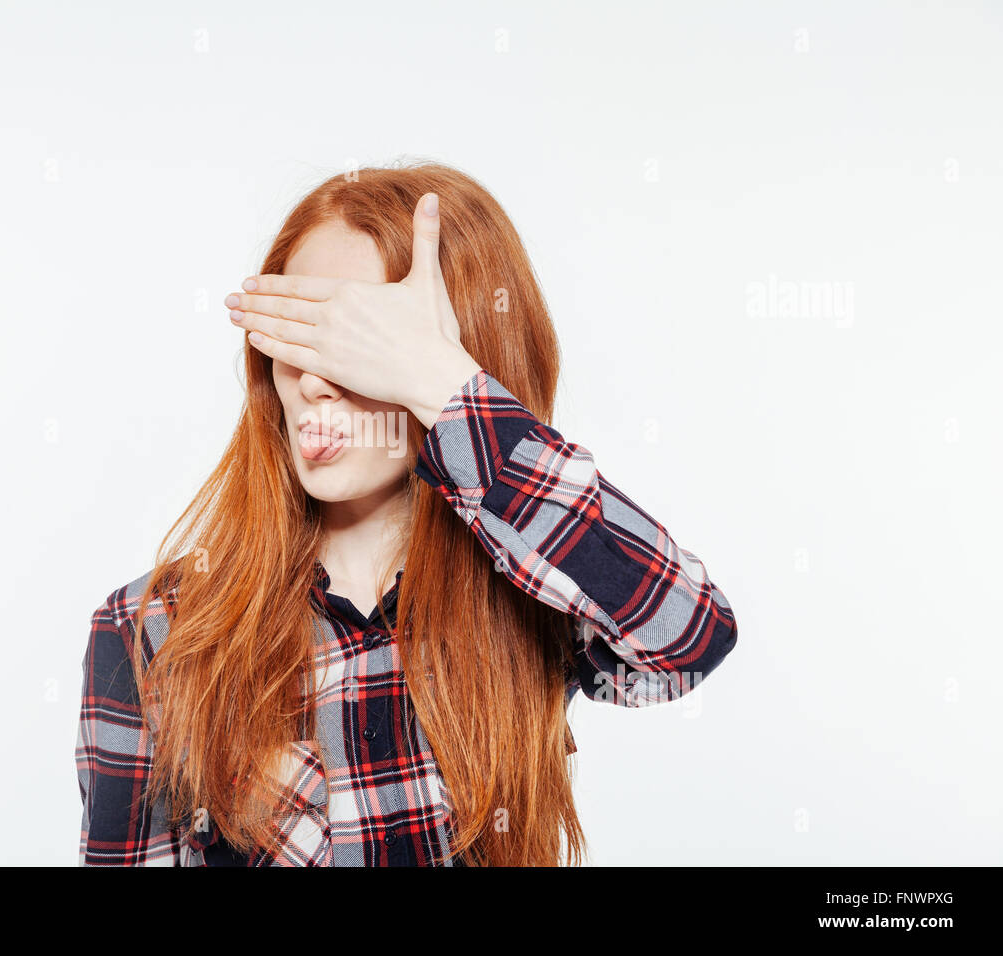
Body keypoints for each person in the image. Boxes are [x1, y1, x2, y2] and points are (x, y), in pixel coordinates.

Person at [75, 162, 738, 866]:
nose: (313, 381)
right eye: (295, 337)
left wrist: (440, 384)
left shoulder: (532, 597)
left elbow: (688, 637)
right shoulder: (151, 632)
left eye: (357, 342)